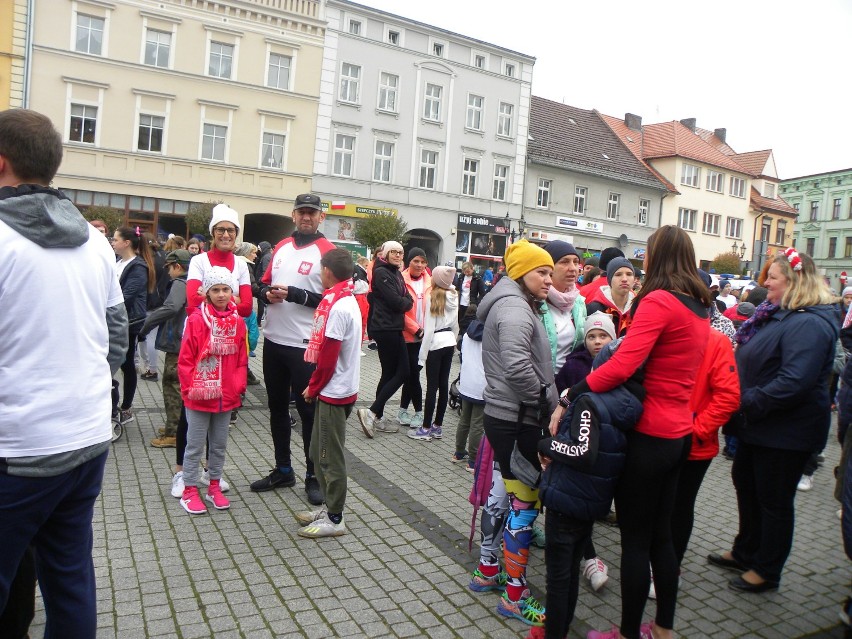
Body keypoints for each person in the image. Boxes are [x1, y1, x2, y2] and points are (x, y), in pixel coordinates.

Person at [0, 108, 128, 639]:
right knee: (70, 577)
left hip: (18, 449)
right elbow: (117, 338)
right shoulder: (96, 242)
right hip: (85, 437)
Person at [566, 226, 711, 639]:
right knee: (663, 537)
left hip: (650, 436)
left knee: (635, 541)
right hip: (680, 433)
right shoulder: (700, 306)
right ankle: (663, 628)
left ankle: (629, 634)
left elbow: (623, 364)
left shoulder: (660, 301)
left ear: (657, 255)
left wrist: (572, 393)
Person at [710, 248, 838, 593]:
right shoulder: (780, 315)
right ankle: (745, 550)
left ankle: (767, 569)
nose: (765, 283)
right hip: (760, 426)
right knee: (747, 486)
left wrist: (742, 402)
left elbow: (793, 382)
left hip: (785, 432)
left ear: (795, 282)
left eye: (774, 278)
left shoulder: (809, 322)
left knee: (773, 500)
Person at [536, 337, 645, 639]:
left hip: (568, 498)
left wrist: (546, 444)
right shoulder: (629, 403)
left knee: (559, 578)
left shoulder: (590, 401)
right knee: (569, 571)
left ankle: (553, 633)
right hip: (591, 500)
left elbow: (583, 451)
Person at [478, 239, 557, 628]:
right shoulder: (514, 307)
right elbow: (515, 365)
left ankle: (487, 571)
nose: (549, 277)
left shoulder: (515, 303)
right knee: (524, 508)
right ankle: (514, 596)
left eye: (549, 271)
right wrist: (548, 401)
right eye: (542, 271)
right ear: (521, 272)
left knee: (506, 497)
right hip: (517, 417)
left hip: (508, 415)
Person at [251, 194, 335, 506]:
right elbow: (260, 283)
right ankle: (283, 469)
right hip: (273, 340)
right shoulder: (282, 246)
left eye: (312, 213)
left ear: (321, 217)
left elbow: (336, 298)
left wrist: (298, 295)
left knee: (308, 413)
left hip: (305, 346)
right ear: (294, 215)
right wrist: (265, 294)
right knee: (275, 408)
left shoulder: (328, 251)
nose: (307, 218)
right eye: (302, 212)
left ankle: (314, 475)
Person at [662, 327, 739, 598]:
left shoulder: (716, 341)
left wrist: (694, 431)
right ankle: (654, 560)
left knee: (679, 506)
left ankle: (671, 568)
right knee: (656, 505)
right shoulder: (661, 333)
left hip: (693, 446)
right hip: (656, 439)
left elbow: (728, 396)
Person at [296, 249, 362, 538]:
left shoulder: (338, 307)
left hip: (335, 393)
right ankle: (327, 506)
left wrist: (314, 386)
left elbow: (328, 357)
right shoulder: (345, 299)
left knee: (328, 457)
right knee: (316, 449)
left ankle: (335, 518)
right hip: (339, 389)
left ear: (327, 272)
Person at [177, 267, 247, 514]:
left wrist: (238, 385)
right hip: (199, 395)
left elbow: (241, 358)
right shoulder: (197, 320)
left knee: (218, 445)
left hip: (225, 395)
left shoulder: (237, 322)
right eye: (215, 290)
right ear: (206, 293)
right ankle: (189, 490)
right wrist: (188, 388)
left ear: (232, 292)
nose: (220, 294)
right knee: (194, 445)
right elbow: (185, 358)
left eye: (225, 289)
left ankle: (214, 485)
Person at [358, 241, 414, 437]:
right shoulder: (382, 273)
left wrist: (405, 302)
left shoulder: (395, 273)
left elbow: (408, 300)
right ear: (385, 253)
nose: (398, 255)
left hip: (392, 326)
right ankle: (372, 412)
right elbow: (398, 302)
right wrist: (404, 303)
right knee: (403, 372)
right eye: (394, 252)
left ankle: (376, 416)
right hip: (386, 327)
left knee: (389, 373)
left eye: (400, 252)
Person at [139, 249, 192, 449]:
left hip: (177, 342)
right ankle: (175, 426)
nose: (168, 272)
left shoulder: (180, 283)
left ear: (177, 266)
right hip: (184, 341)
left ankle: (174, 432)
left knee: (172, 385)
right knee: (176, 385)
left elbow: (171, 307)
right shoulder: (194, 281)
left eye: (169, 268)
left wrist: (146, 325)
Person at [112, 225, 157, 424]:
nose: (112, 243)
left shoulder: (138, 266)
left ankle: (127, 407)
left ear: (126, 243)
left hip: (128, 322)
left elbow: (126, 296)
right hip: (115, 319)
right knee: (121, 363)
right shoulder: (118, 262)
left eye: (115, 239)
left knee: (127, 364)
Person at [409, 265, 459, 441]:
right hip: (449, 340)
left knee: (432, 387)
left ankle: (425, 428)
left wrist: (421, 356)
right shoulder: (454, 295)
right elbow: (456, 324)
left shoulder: (433, 296)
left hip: (436, 342)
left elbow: (429, 329)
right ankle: (437, 426)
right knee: (443, 385)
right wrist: (453, 341)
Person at [186, 204, 252, 317]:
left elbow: (247, 309)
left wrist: (208, 297)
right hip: (202, 331)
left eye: (230, 230)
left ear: (236, 233)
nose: (226, 235)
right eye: (220, 230)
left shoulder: (241, 265)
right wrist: (235, 299)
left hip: (232, 331)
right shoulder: (198, 261)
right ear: (213, 232)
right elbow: (193, 303)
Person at [398, 248, 432, 430]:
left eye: (422, 262)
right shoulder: (400, 280)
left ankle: (403, 409)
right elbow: (398, 311)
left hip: (424, 337)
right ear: (409, 262)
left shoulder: (431, 282)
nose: (419, 265)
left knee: (411, 374)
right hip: (407, 336)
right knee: (412, 375)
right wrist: (416, 329)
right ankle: (418, 412)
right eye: (415, 261)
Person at [542, 241, 586, 371]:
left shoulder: (578, 302)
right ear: (549, 267)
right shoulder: (536, 301)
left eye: (576, 262)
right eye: (564, 262)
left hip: (566, 381)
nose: (573, 268)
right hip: (538, 382)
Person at [453, 317, 486, 470]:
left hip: (466, 383)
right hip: (482, 385)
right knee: (477, 424)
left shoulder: (466, 335)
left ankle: (458, 452)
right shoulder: (489, 336)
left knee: (464, 420)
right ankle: (473, 460)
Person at [139, 232, 169, 382]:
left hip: (148, 303)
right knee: (151, 337)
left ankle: (149, 368)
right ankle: (150, 368)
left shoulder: (145, 260)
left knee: (144, 338)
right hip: (160, 301)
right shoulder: (163, 257)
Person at [585, 257, 636, 336]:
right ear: (609, 279)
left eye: (629, 274)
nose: (625, 279)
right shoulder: (595, 308)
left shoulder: (638, 308)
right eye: (618, 274)